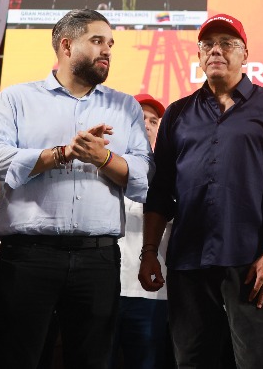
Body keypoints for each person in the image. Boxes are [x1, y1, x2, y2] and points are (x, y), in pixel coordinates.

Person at [0, 9, 154, 367]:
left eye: (110, 44)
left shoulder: (125, 107)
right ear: (66, 45)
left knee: (93, 361)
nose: (107, 50)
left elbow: (145, 177)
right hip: (28, 257)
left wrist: (103, 158)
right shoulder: (15, 99)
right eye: (97, 41)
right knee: (15, 359)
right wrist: (60, 154)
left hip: (98, 259)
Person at [139, 13, 263, 369]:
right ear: (199, 56)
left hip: (251, 260)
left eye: (226, 44)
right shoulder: (178, 114)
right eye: (208, 45)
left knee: (257, 361)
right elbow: (160, 191)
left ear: (245, 54)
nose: (216, 50)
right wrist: (149, 251)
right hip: (188, 259)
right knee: (191, 360)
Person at [112, 93, 171, 369]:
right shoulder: (101, 164)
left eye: (153, 120)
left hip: (151, 292)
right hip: (103, 287)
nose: (146, 124)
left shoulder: (171, 173)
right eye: (138, 117)